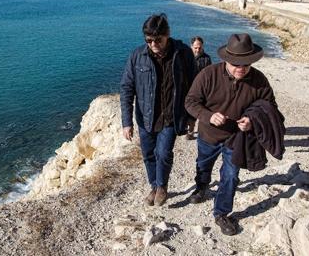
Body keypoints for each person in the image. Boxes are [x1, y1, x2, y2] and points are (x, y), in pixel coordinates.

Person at [185, 33, 283, 236]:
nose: (241, 68)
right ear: (226, 59)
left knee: (230, 176)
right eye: (236, 64)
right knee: (203, 165)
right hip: (208, 134)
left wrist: (252, 121)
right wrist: (208, 116)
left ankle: (221, 213)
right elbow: (191, 102)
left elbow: (270, 107)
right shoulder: (208, 74)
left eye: (246, 64)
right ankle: (202, 187)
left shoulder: (259, 80)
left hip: (235, 138)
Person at [120, 13, 196, 206]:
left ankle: (162, 186)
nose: (153, 44)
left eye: (158, 40)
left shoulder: (183, 53)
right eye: (149, 40)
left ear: (167, 34)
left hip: (171, 116)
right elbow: (127, 89)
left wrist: (191, 116)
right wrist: (126, 122)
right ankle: (154, 186)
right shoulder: (137, 56)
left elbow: (194, 86)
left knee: (163, 153)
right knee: (147, 154)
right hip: (145, 118)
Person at [187, 36, 212, 140]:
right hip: (186, 88)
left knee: (196, 110)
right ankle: (186, 128)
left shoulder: (207, 58)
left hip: (200, 90)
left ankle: (191, 131)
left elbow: (210, 75)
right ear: (191, 46)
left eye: (199, 48)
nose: (197, 50)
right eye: (195, 47)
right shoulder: (185, 56)